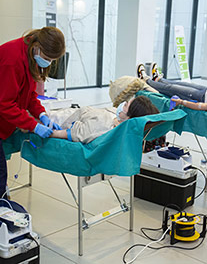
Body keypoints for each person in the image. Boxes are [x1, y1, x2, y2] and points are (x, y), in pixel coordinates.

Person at [0, 27, 66, 199]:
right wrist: (33, 126)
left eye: (52, 60)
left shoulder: (29, 55)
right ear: (37, 46)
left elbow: (28, 94)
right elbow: (5, 103)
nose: (47, 63)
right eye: (46, 58)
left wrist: (42, 114)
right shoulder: (12, 59)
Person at [47, 95, 159, 143]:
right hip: (72, 112)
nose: (122, 104)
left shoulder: (105, 126)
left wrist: (49, 133)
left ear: (129, 118)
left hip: (60, 119)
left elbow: (76, 133)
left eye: (125, 105)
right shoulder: (117, 118)